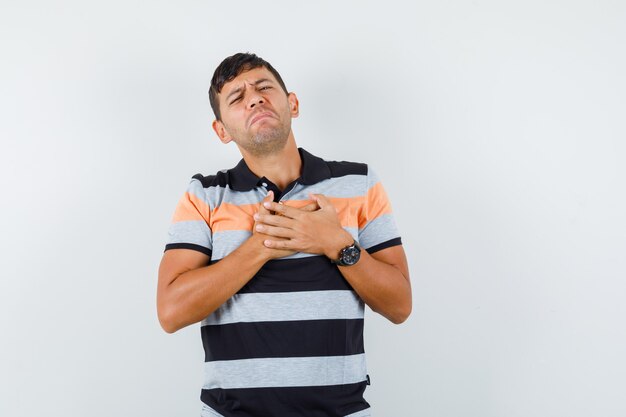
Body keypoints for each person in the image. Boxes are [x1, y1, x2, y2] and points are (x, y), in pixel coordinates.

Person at [157, 52, 412, 417]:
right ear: (222, 131)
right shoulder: (205, 195)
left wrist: (335, 243)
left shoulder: (359, 183)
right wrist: (260, 248)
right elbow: (170, 312)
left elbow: (400, 305)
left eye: (264, 88)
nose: (255, 98)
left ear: (292, 104)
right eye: (237, 98)